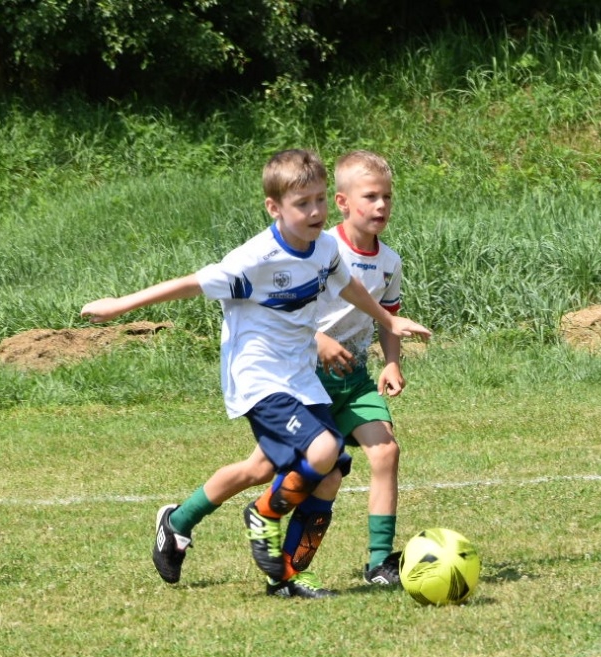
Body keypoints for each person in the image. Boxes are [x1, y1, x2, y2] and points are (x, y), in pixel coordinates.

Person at [79, 149, 431, 598]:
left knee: (326, 472)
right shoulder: (256, 259)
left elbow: (346, 285)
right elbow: (190, 283)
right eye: (303, 203)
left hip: (300, 375)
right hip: (260, 377)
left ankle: (278, 572)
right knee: (318, 450)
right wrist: (120, 305)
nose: (315, 211)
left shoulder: (325, 247)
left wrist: (388, 320)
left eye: (320, 200)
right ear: (275, 207)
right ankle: (264, 515)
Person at [203, 150, 411, 588]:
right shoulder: (316, 247)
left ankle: (378, 563)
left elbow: (386, 312)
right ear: (341, 201)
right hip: (303, 377)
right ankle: (183, 519)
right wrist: (319, 341)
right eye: (370, 196)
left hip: (351, 381)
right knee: (260, 470)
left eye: (387, 197)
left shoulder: (389, 261)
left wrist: (391, 360)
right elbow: (288, 313)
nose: (381, 206)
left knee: (384, 452)